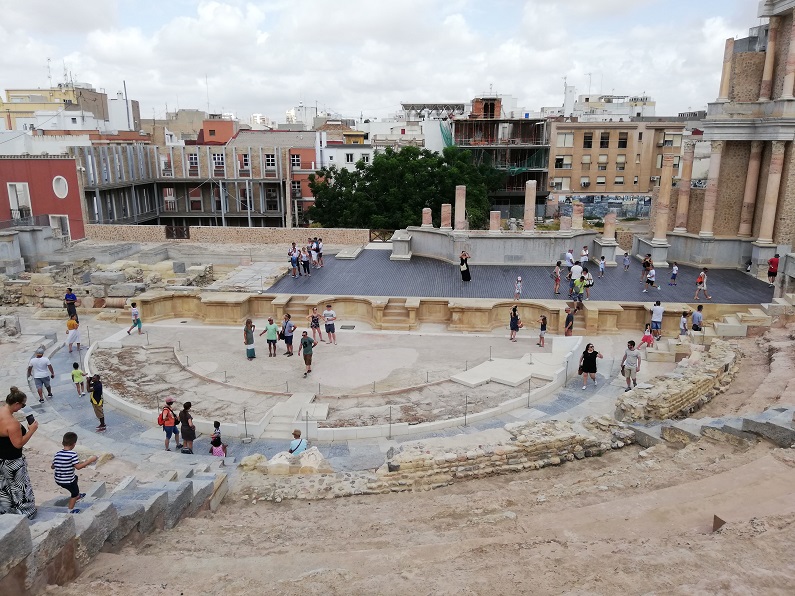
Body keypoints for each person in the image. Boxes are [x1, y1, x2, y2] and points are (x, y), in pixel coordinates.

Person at [0, 387, 38, 518]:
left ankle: (6, 514)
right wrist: (31, 430)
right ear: (16, 404)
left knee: (3, 488)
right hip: (13, 461)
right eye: (23, 404)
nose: (22, 407)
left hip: (0, 458)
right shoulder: (12, 423)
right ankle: (27, 515)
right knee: (20, 488)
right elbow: (18, 444)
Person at [52, 431, 97, 513]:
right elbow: (78, 467)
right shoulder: (73, 454)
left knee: (75, 477)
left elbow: (53, 466)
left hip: (58, 479)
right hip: (67, 481)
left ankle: (78, 495)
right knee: (74, 493)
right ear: (74, 444)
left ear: (63, 442)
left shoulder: (57, 453)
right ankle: (70, 510)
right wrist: (90, 460)